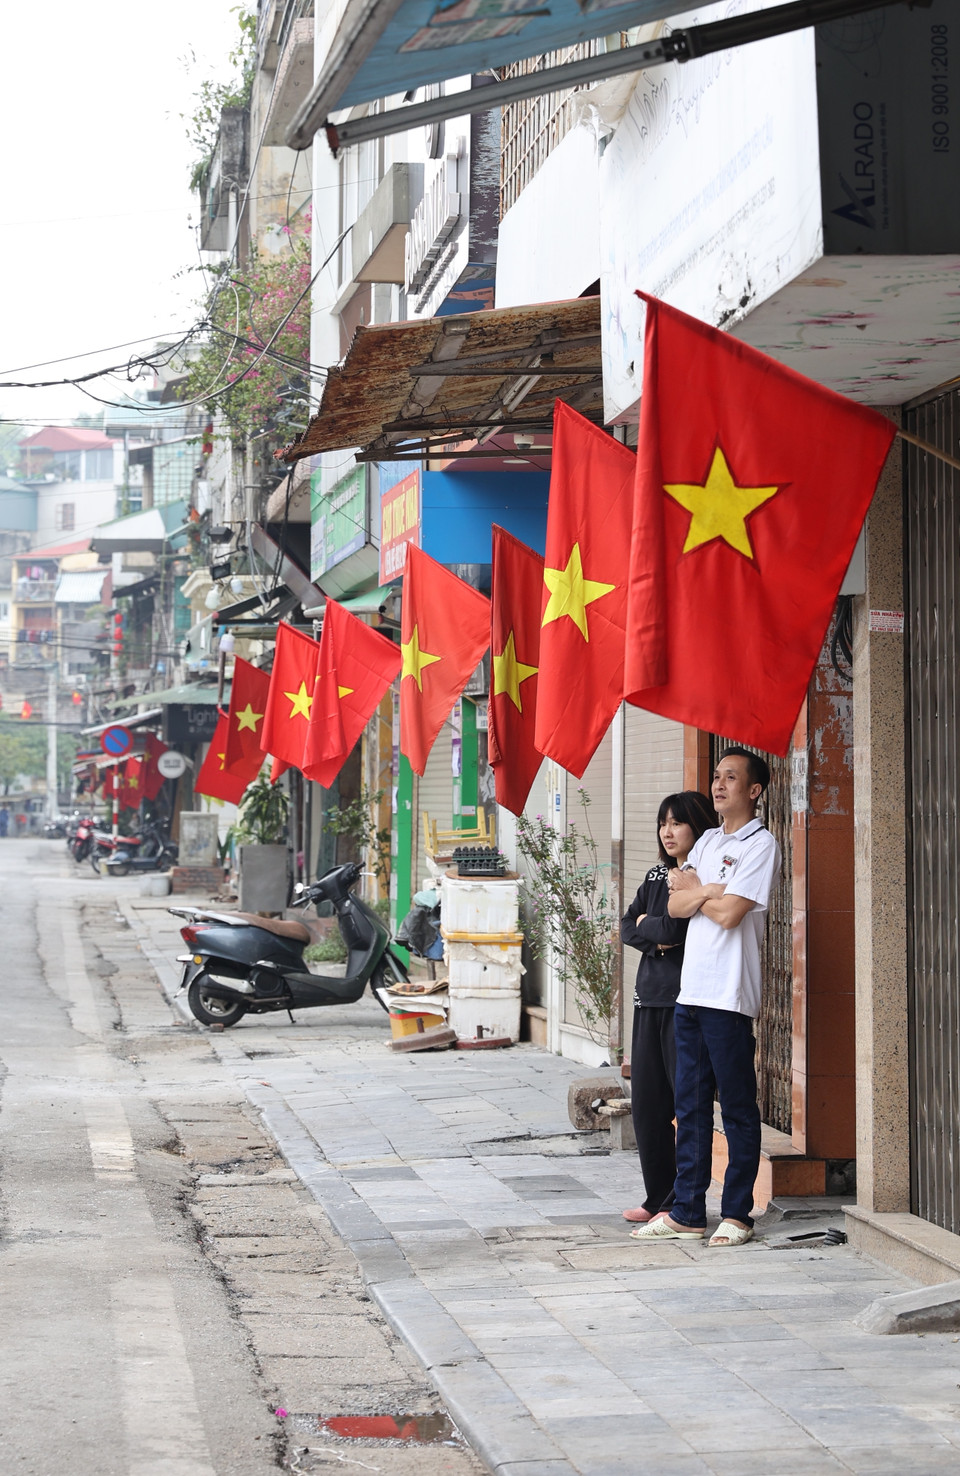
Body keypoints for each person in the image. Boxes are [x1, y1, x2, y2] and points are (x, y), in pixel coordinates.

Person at [630, 748, 781, 1249]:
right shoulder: (709, 840)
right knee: (690, 1108)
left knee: (736, 1108)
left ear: (753, 790)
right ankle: (688, 1212)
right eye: (716, 776)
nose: (717, 785)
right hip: (689, 993)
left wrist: (701, 892)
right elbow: (675, 906)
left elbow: (732, 915)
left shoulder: (760, 844)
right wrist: (706, 890)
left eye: (730, 778)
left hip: (729, 995)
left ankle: (737, 1213)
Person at [620, 791, 716, 1225]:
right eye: (663, 823)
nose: (667, 831)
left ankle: (682, 1202)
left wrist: (652, 928)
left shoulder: (699, 877)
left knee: (685, 1103)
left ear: (698, 825)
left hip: (684, 1001)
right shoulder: (657, 875)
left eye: (677, 822)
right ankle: (657, 1197)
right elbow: (627, 925)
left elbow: (676, 929)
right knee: (647, 1105)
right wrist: (652, 934)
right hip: (648, 1000)